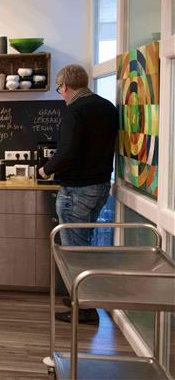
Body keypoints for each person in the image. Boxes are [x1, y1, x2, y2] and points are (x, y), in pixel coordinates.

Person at [38, 64, 118, 325]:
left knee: (74, 251)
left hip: (77, 190)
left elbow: (68, 149)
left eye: (60, 90)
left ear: (65, 86)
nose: (61, 95)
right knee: (85, 245)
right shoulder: (108, 107)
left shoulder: (74, 111)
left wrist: (46, 169)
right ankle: (80, 298)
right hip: (101, 187)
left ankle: (84, 310)